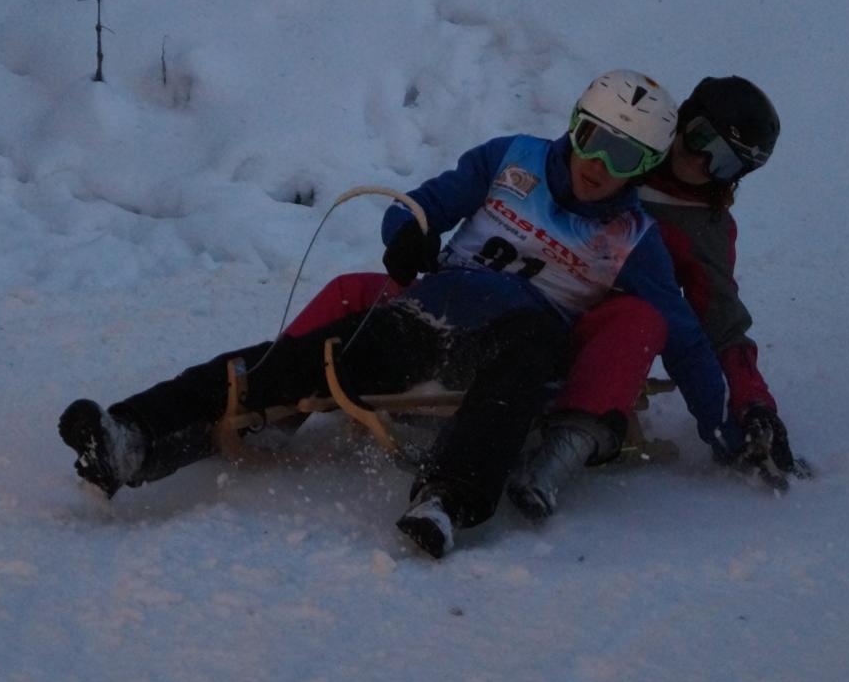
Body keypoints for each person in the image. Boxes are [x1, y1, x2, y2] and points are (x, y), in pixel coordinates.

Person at [58, 70, 742, 559]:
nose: (597, 162)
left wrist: (726, 429)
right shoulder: (511, 159)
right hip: (428, 316)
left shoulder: (633, 239)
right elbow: (418, 206)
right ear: (573, 124)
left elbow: (681, 338)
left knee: (529, 350)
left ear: (644, 166)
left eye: (622, 154)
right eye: (590, 136)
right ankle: (137, 434)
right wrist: (407, 234)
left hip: (519, 344)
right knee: (298, 360)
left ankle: (447, 498)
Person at [282, 75, 799, 518]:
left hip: (556, 335)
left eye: (724, 163)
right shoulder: (601, 145)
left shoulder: (694, 230)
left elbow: (711, 327)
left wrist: (745, 413)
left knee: (638, 319)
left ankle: (561, 447)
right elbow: (435, 201)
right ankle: (268, 391)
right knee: (353, 290)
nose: (700, 161)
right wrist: (408, 234)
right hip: (459, 297)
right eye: (702, 138)